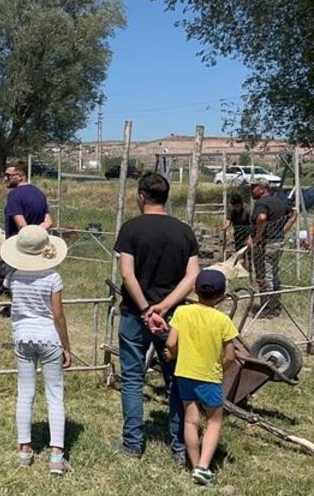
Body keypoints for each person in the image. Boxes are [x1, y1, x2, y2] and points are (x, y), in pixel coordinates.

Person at [113, 172, 200, 464]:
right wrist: (164, 307)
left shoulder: (130, 229)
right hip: (174, 318)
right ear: (166, 196)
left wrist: (145, 309)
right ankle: (179, 447)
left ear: (141, 197)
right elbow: (192, 276)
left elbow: (127, 273)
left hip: (134, 316)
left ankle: (133, 444)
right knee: (175, 379)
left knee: (133, 377)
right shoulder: (184, 231)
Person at [0, 225, 72, 475]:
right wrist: (66, 346)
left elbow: (16, 301)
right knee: (54, 394)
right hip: (49, 338)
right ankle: (56, 454)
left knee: (25, 392)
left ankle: (24, 448)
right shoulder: (53, 277)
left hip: (22, 337)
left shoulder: (13, 277)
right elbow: (58, 315)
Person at [164, 269, 239, 486]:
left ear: (195, 290)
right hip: (209, 376)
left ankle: (194, 463)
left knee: (190, 419)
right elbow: (230, 356)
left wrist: (175, 355)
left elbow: (170, 343)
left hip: (184, 373)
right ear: (223, 296)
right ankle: (203, 467)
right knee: (214, 420)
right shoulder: (223, 320)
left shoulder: (182, 313)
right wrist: (221, 369)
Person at [247, 179, 288, 316]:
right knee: (274, 274)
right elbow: (293, 213)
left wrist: (258, 237)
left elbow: (262, 218)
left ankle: (267, 308)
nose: (251, 190)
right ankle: (275, 305)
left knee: (264, 275)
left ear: (262, 189)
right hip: (278, 241)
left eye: (254, 187)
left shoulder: (261, 203)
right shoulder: (278, 201)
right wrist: (283, 230)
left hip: (265, 244)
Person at [3, 160, 52, 239]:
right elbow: (48, 222)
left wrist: (29, 238)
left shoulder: (14, 195)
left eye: (8, 175)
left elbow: (22, 225)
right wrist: (35, 234)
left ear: (20, 177)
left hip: (19, 245)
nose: (5, 178)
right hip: (37, 243)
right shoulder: (39, 193)